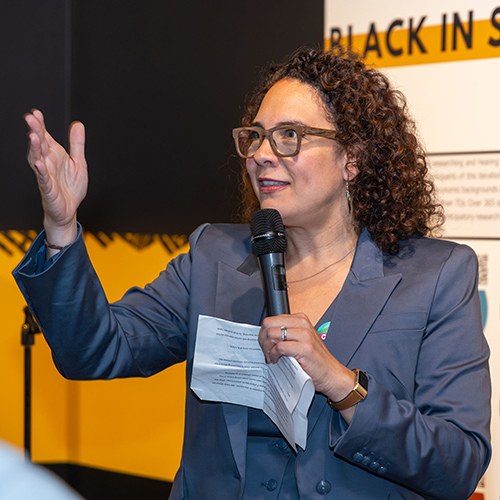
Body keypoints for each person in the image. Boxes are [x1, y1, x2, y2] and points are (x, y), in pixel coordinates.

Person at [14, 46, 491, 499]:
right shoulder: (214, 258)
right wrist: (61, 227)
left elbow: (457, 464)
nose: (262, 153)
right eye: (255, 136)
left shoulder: (435, 277)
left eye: (290, 136)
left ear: (353, 158)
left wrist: (343, 385)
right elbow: (93, 351)